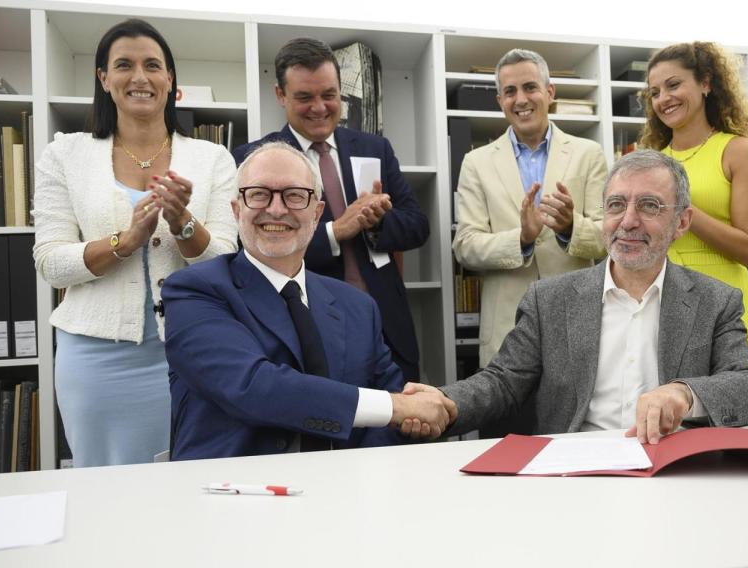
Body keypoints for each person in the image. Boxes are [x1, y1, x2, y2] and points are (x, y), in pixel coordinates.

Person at [414, 150, 748, 445]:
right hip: (575, 476)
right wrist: (446, 402)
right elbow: (502, 382)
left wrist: (684, 394)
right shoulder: (550, 300)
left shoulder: (714, 301)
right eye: (616, 205)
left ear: (682, 222)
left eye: (649, 206)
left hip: (672, 476)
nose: (628, 221)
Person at [32, 19, 238, 467]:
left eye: (153, 66)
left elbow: (227, 260)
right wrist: (124, 242)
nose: (140, 77)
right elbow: (50, 262)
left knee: (189, 476)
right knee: (104, 483)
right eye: (123, 65)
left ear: (170, 80)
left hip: (192, 350)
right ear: (103, 79)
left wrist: (183, 222)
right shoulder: (64, 154)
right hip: (94, 359)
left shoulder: (213, 159)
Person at [164, 142, 453, 460]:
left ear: (317, 213)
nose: (276, 209)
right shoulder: (193, 291)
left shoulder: (358, 307)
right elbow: (255, 388)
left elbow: (388, 417)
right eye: (259, 194)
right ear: (237, 210)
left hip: (346, 493)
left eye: (294, 195)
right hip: (231, 496)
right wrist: (398, 407)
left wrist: (359, 478)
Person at [232, 37, 428, 382]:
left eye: (329, 95)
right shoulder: (257, 160)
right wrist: (336, 231)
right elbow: (249, 250)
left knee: (398, 426)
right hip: (305, 326)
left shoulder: (375, 148)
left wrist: (377, 223)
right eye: (305, 97)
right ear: (280, 96)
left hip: (386, 324)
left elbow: (417, 225)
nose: (320, 107)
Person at [452, 48, 607, 369]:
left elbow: (609, 237)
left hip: (575, 321)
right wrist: (521, 238)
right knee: (510, 420)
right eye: (510, 91)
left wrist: (568, 228)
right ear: (500, 102)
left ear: (550, 93)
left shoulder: (588, 154)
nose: (520, 99)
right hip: (507, 330)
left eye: (530, 87)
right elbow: (465, 246)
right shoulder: (475, 163)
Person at [639, 41, 748, 359]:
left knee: (731, 400)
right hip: (665, 298)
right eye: (654, 92)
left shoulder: (740, 151)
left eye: (673, 85)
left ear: (706, 83)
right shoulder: (651, 162)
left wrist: (682, 210)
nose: (664, 99)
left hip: (724, 298)